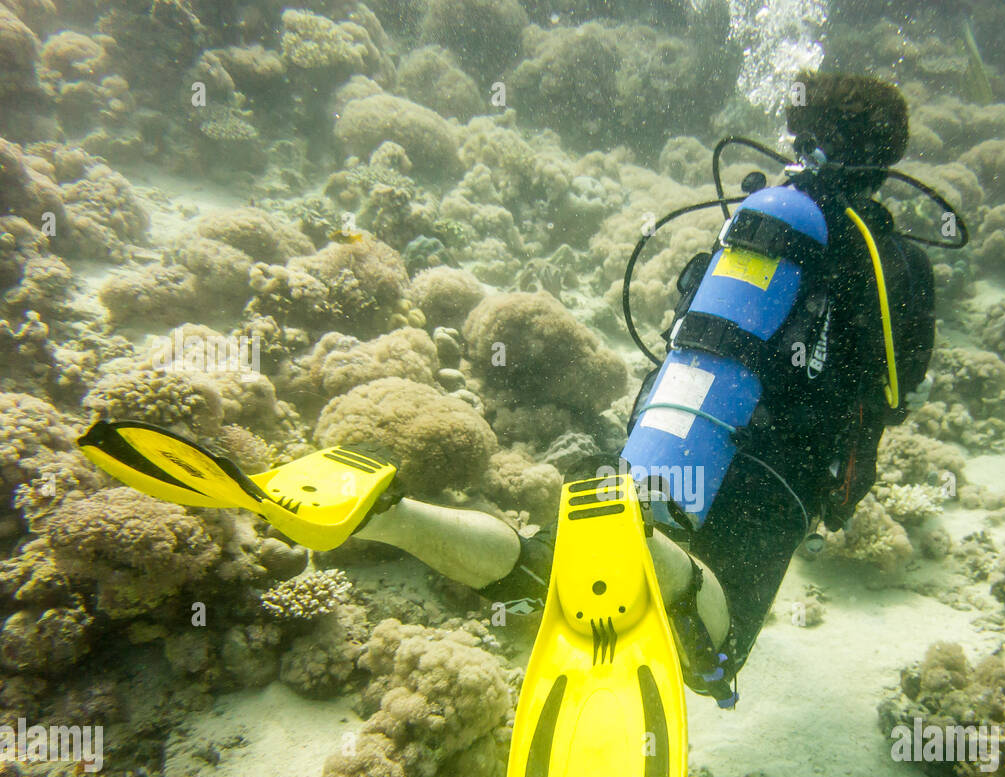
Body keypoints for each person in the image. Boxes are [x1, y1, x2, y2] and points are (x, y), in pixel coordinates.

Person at [353, 71, 936, 701]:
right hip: (776, 474)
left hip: (672, 429)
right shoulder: (890, 258)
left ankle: (395, 516)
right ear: (887, 160)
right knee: (716, 653)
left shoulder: (752, 222)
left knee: (560, 573)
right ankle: (657, 557)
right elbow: (896, 393)